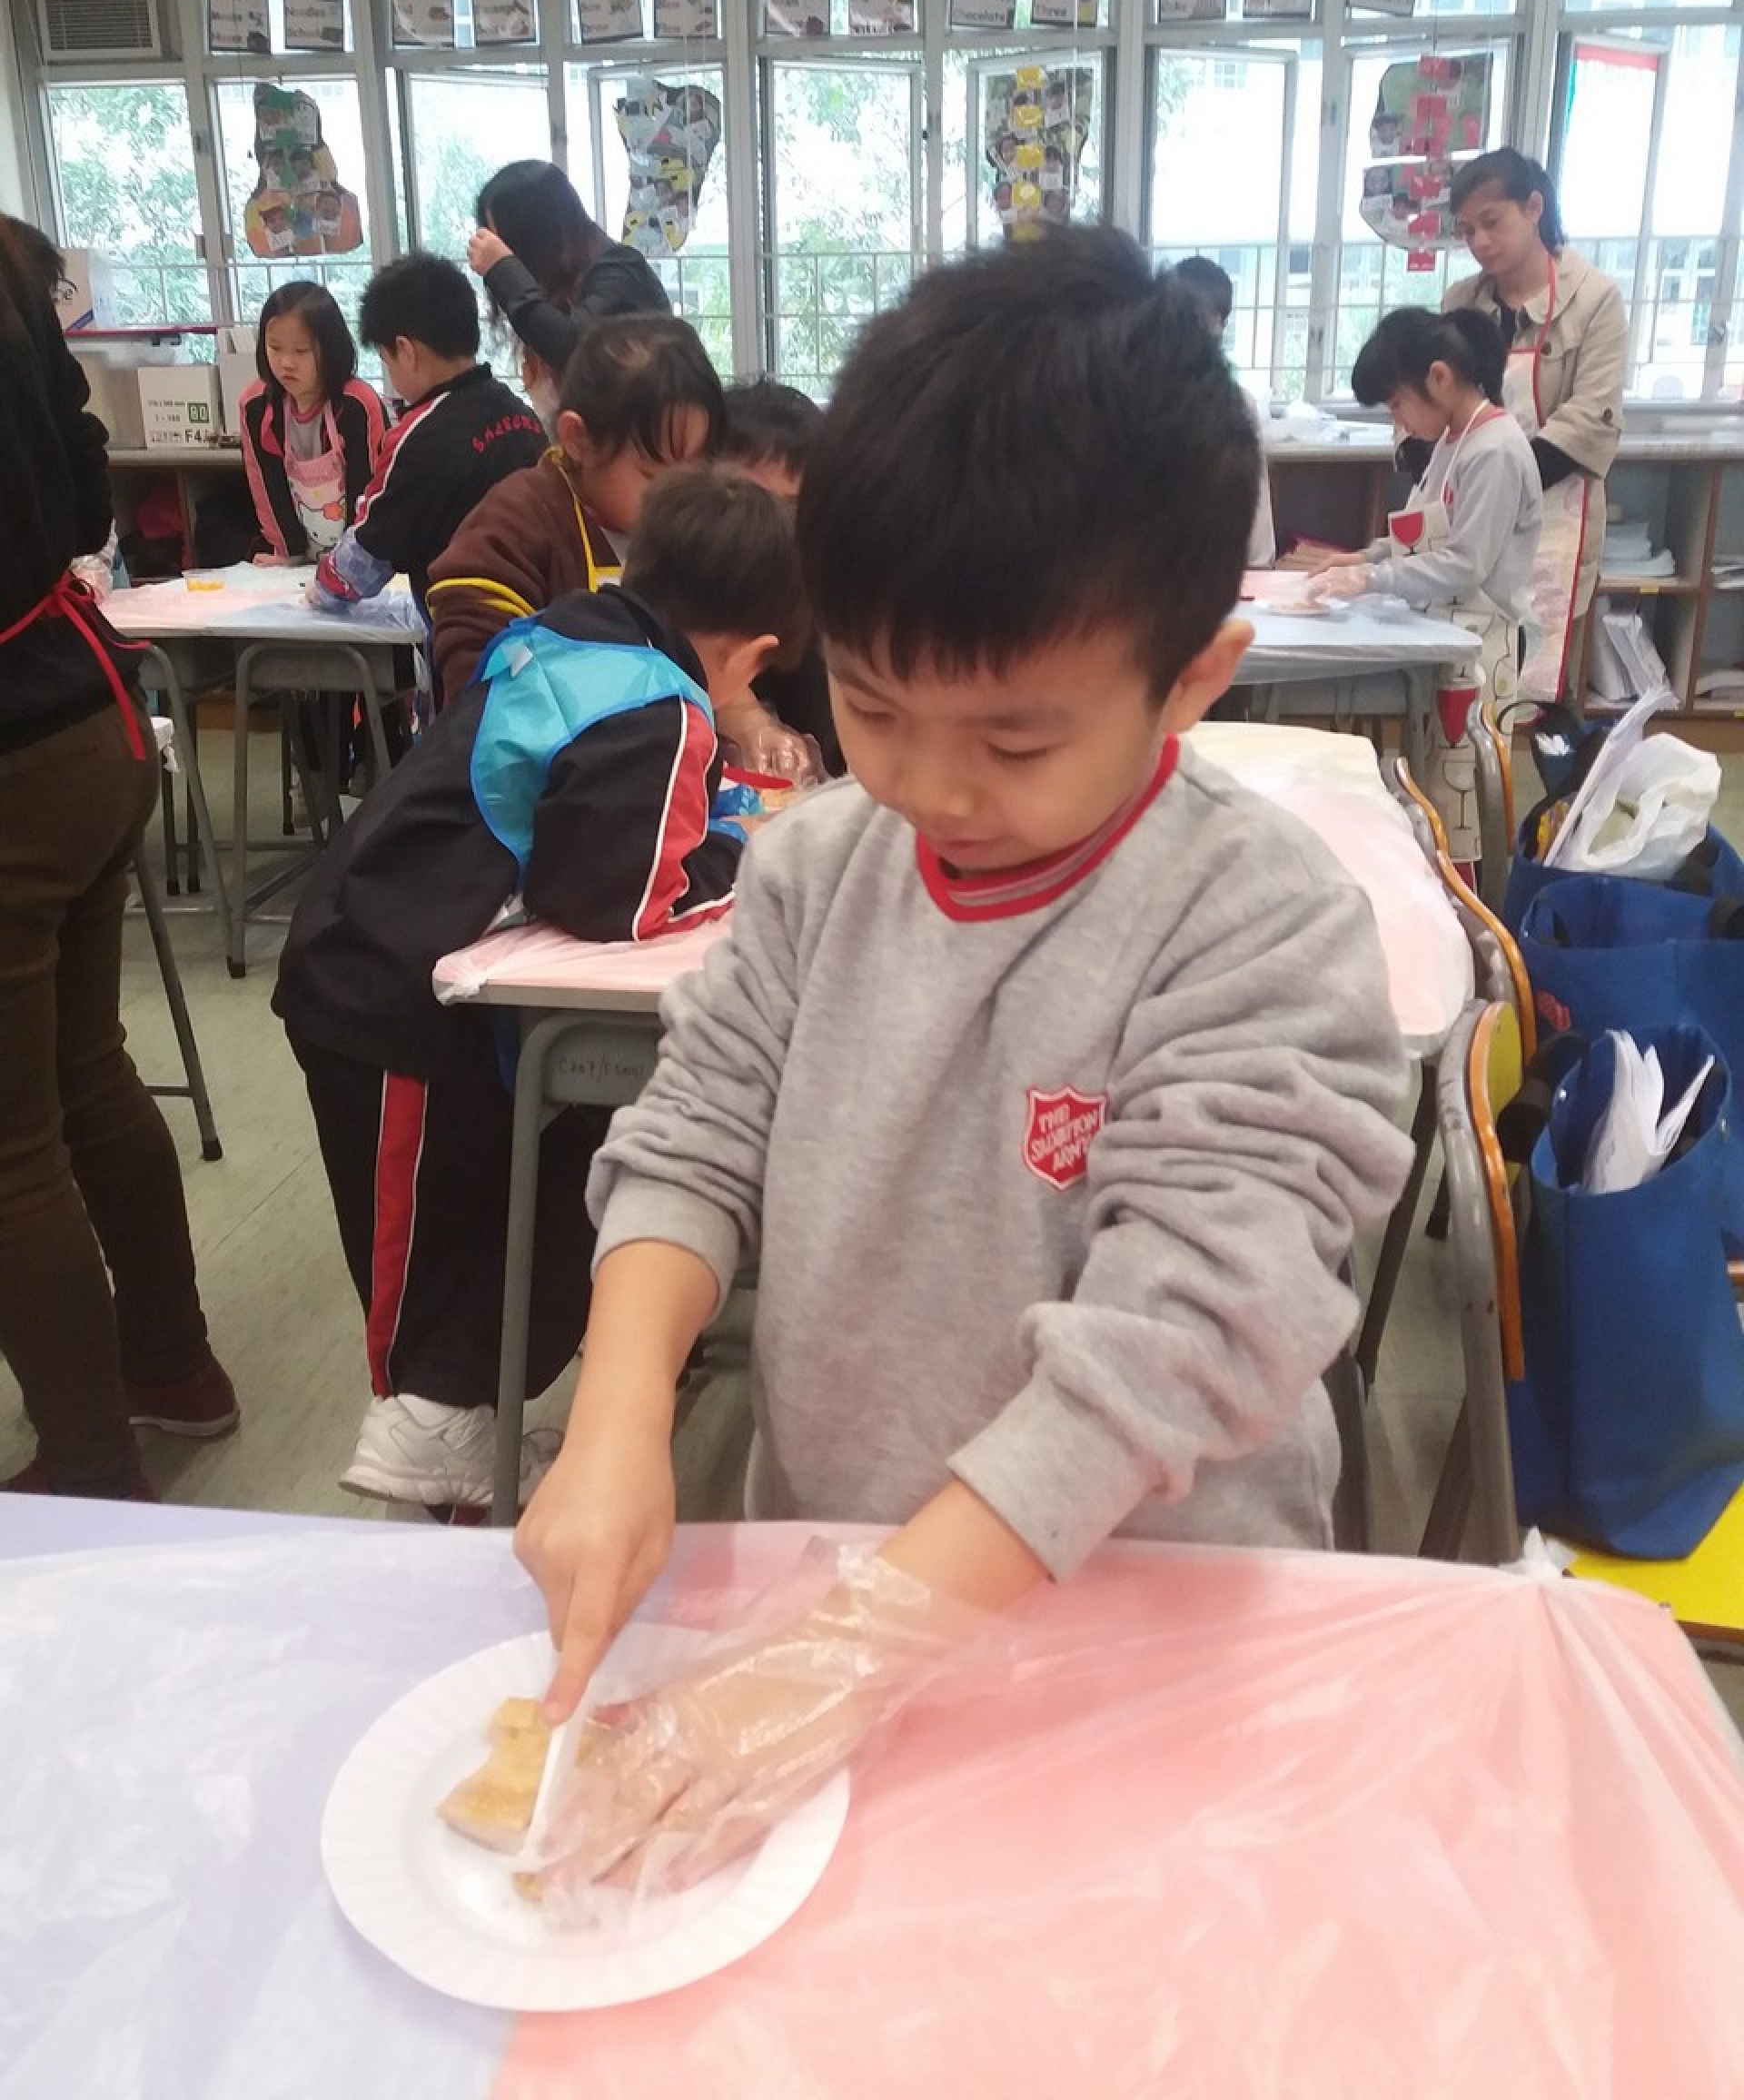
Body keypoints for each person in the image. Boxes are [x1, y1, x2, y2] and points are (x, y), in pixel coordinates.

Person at [510, 229, 1414, 1895]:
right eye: (872, 705)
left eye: (1013, 737)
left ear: (1191, 681)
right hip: (845, 1572)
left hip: (1146, 1632)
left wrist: (848, 1653)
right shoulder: (815, 869)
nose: (929, 786)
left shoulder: (1257, 923)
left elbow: (1177, 1347)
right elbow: (693, 1136)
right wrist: (619, 1416)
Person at [272, 465, 807, 1518]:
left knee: (476, 1209)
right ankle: (427, 1433)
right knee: (424, 1242)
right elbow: (622, 896)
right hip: (388, 984)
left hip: (382, 944)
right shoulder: (663, 705)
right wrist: (748, 852)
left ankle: (457, 1423)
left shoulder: (571, 635)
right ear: (753, 655)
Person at [0, 218, 235, 1502]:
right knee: (88, 1071)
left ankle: (92, 1463)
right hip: (84, 718)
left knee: (11, 1149)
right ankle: (172, 1365)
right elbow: (86, 485)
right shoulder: (11, 287)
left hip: (15, 758)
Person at [1298, 307, 1540, 870]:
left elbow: (1465, 563)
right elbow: (1425, 531)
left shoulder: (1496, 450)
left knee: (1462, 803)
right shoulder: (1456, 440)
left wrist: (1372, 578)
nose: (1399, 420)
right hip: (1445, 637)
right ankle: (1442, 889)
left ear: (1439, 377)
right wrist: (1365, 556)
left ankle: (1470, 910)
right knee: (1436, 794)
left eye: (1397, 404)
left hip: (1482, 645)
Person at [424, 312, 724, 705]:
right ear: (578, 439)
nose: (678, 499)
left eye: (695, 475)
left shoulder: (695, 527)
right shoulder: (520, 520)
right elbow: (482, 676)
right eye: (653, 476)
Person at [1442, 147, 1627, 696]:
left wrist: (1508, 475)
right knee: (1467, 675)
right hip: (1471, 507)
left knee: (1539, 679)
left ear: (1534, 208)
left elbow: (1592, 415)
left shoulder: (1594, 299)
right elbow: (1435, 389)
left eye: (1491, 222)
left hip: (1553, 511)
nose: (1480, 242)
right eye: (1467, 231)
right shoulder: (1462, 301)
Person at [305, 254, 545, 669]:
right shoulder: (523, 417)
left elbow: (364, 560)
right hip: (542, 628)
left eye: (386, 360)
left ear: (405, 350)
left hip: (467, 641)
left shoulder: (417, 436)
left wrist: (322, 590)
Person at [715, 378, 843, 777]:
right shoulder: (670, 589)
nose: (765, 528)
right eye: (745, 501)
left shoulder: (827, 606)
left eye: (788, 508)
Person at [466, 159, 671, 401]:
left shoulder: (620, 269)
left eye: (503, 243)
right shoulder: (566, 288)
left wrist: (504, 270)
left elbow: (576, 349)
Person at [238, 280, 387, 567]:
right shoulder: (256, 405)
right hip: (296, 560)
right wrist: (287, 554)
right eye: (275, 348)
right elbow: (266, 487)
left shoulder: (357, 404)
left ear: (330, 348)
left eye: (301, 350)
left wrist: (354, 562)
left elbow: (371, 490)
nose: (286, 363)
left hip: (362, 558)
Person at [1172, 256, 1274, 568]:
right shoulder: (1139, 397)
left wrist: (1259, 566)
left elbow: (1255, 501)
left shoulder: (1237, 403)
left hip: (1224, 567)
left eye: (1209, 321)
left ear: (1220, 325)